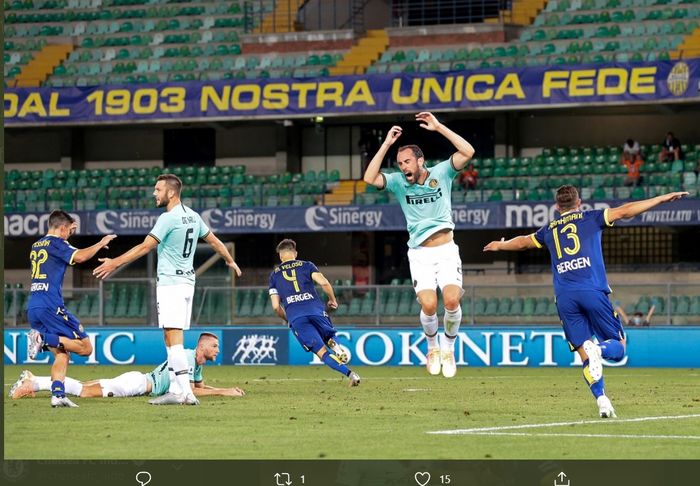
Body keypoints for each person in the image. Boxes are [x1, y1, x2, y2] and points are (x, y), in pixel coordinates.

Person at [483, 185, 688, 418]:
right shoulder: (592, 217)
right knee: (618, 347)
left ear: (557, 207)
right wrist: (662, 198)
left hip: (564, 298)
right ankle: (599, 350)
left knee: (585, 356)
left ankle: (602, 400)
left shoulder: (549, 229)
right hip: (591, 290)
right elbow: (627, 210)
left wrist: (500, 245)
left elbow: (522, 242)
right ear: (579, 202)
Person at [93, 174, 242, 406]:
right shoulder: (193, 216)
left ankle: (185, 393)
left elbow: (145, 246)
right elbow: (215, 242)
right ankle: (176, 389)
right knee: (170, 337)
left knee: (175, 340)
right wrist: (229, 260)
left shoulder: (168, 218)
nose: (155, 193)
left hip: (171, 284)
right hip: (186, 284)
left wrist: (114, 262)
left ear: (171, 192)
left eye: (158, 189)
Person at [363, 112, 475, 378]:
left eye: (407, 161)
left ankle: (448, 347)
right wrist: (386, 145)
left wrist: (438, 128)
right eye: (400, 163)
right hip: (420, 254)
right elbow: (369, 178)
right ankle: (432, 346)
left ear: (420, 161)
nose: (403, 167)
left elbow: (468, 151)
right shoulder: (399, 183)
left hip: (447, 250)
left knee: (450, 299)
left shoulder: (442, 172)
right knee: (428, 305)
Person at [26, 210, 116, 408]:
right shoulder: (57, 243)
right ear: (62, 228)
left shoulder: (36, 245)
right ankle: (41, 339)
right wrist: (101, 244)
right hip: (51, 306)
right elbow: (81, 257)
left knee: (62, 353)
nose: (69, 234)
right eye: (68, 231)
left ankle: (58, 395)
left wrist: (68, 237)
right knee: (85, 347)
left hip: (34, 305)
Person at [10, 333, 245, 400]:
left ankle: (36, 381)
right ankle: (36, 382)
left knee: (87, 387)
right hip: (139, 383)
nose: (217, 350)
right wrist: (224, 392)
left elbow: (199, 386)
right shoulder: (184, 355)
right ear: (202, 347)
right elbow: (192, 391)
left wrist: (224, 388)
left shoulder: (196, 364)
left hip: (140, 381)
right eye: (214, 346)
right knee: (87, 392)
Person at [269, 239, 360, 387]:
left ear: (280, 256)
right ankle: (334, 343)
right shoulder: (306, 265)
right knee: (329, 335)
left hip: (297, 318)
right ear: (295, 253)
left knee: (322, 352)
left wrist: (289, 319)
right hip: (316, 311)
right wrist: (332, 300)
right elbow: (324, 283)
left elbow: (275, 306)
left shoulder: (274, 275)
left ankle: (351, 375)